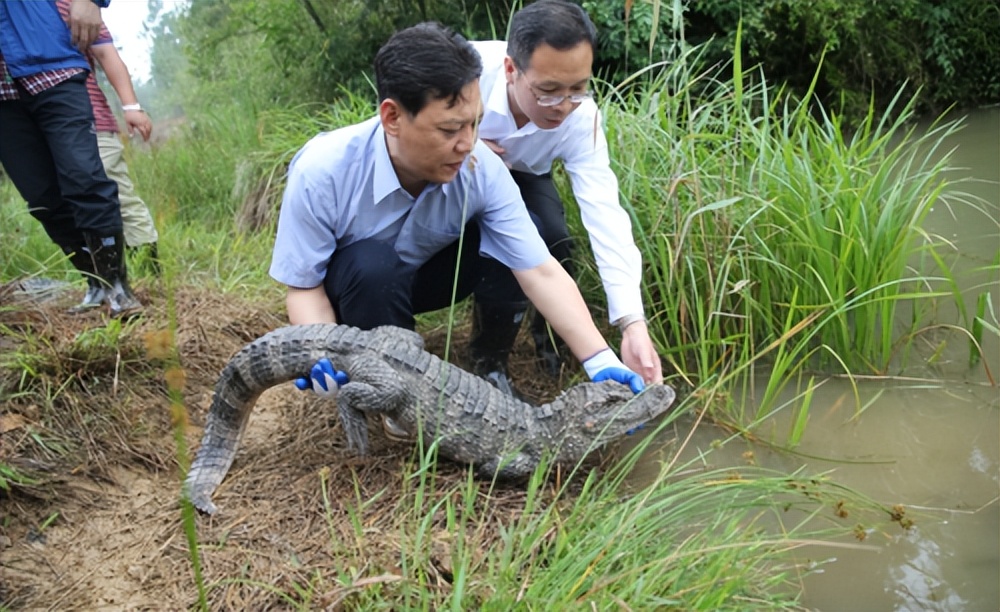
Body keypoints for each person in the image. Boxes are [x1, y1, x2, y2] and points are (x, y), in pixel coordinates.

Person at [269, 22, 645, 419]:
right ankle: (395, 400)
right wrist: (323, 351)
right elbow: (304, 288)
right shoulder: (323, 171)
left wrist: (600, 359)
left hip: (427, 280)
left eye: (475, 124)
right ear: (393, 117)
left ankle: (489, 362)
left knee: (517, 235)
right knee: (372, 267)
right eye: (450, 129)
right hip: (357, 293)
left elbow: (540, 271)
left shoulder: (480, 168)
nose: (468, 144)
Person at [468, 0, 663, 386]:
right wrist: (467, 143)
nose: (564, 106)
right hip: (456, 168)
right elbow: (406, 118)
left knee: (553, 239)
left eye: (578, 88)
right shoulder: (466, 70)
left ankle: (552, 344)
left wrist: (632, 322)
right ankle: (486, 359)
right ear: (511, 69)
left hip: (525, 173)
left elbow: (604, 212)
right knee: (501, 240)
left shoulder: (581, 116)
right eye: (548, 91)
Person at [0, 0, 142, 318]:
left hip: (51, 69)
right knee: (41, 198)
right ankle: (94, 283)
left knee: (84, 177)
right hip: (3, 100)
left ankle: (116, 286)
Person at [56, 0, 160, 285]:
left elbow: (106, 54)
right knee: (69, 205)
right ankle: (102, 279)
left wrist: (131, 107)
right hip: (47, 131)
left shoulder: (75, 4)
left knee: (118, 195)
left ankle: (151, 272)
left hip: (94, 122)